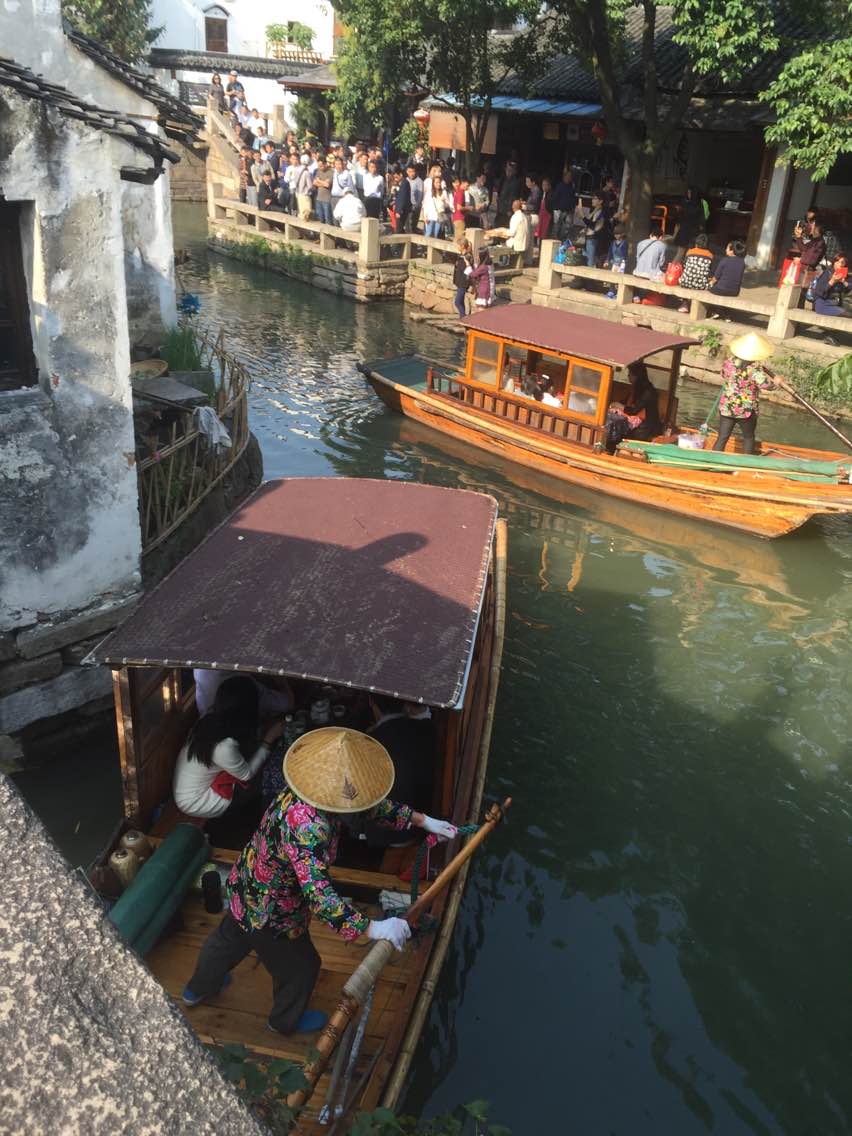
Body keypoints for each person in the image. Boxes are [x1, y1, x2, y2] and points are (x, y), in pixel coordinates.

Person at [181, 727, 457, 1034]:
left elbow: (369, 806)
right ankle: (283, 1022)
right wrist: (373, 928)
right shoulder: (309, 828)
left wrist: (423, 821)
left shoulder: (305, 788)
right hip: (274, 909)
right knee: (303, 966)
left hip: (246, 880)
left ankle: (197, 988)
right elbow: (320, 896)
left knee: (228, 938)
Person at [174, 676, 285, 820]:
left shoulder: (209, 718)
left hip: (191, 786)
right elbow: (247, 774)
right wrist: (269, 739)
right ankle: (259, 819)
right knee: (265, 780)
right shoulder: (223, 746)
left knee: (254, 758)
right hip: (197, 801)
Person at [359, 694, 434, 846]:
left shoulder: (367, 743)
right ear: (405, 702)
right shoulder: (426, 728)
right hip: (424, 823)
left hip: (389, 836)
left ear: (371, 702)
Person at [713, 332, 775, 454]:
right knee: (749, 437)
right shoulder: (754, 369)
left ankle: (712, 460)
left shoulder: (729, 362)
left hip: (727, 406)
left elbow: (723, 375)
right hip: (745, 409)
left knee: (722, 436)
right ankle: (746, 461)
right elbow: (766, 385)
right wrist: (776, 383)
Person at [604, 363, 663, 452]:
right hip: (638, 424)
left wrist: (618, 406)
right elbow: (625, 402)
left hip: (645, 429)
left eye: (630, 374)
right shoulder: (637, 388)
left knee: (616, 426)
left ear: (637, 376)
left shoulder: (648, 392)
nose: (628, 376)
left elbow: (634, 410)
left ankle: (611, 449)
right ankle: (610, 447)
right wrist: (616, 404)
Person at [707, 239, 746, 318]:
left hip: (721, 289)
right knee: (724, 290)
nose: (725, 249)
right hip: (734, 292)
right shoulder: (742, 263)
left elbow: (716, 278)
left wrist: (710, 283)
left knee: (710, 288)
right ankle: (726, 314)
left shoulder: (724, 260)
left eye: (727, 248)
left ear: (732, 251)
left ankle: (715, 311)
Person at [677, 234, 714, 309]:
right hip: (700, 285)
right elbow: (709, 270)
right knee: (712, 282)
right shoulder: (710, 255)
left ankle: (684, 304)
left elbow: (685, 265)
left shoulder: (689, 252)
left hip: (685, 282)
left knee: (687, 276)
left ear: (696, 243)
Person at [582, 193, 607, 267]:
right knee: (585, 260)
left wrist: (582, 216)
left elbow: (594, 226)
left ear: (601, 201)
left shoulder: (602, 213)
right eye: (592, 198)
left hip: (593, 239)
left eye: (595, 198)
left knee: (590, 262)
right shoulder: (595, 211)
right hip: (587, 238)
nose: (592, 200)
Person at [551, 170, 577, 241]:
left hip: (568, 210)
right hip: (559, 210)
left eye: (570, 176)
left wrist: (573, 207)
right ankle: (555, 240)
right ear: (564, 177)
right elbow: (555, 197)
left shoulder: (572, 187)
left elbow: (573, 198)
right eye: (568, 176)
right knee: (557, 226)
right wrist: (556, 208)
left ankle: (563, 240)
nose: (569, 178)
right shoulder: (560, 186)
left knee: (567, 227)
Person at [452, 238, 474, 318]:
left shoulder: (467, 257)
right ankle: (462, 316)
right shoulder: (461, 255)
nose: (457, 247)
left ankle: (463, 317)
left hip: (463, 283)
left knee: (457, 302)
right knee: (461, 301)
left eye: (458, 245)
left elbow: (468, 270)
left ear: (462, 246)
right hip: (460, 281)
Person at [313, 157, 333, 225]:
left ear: (325, 164)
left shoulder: (331, 172)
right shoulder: (318, 171)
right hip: (319, 198)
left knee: (328, 219)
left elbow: (327, 185)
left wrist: (319, 180)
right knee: (320, 219)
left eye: (321, 166)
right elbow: (314, 183)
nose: (319, 167)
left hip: (327, 200)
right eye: (318, 166)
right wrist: (323, 183)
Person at [294, 155, 314, 221]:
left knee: (301, 213)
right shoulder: (306, 172)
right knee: (307, 214)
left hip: (298, 193)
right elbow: (310, 186)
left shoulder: (296, 170)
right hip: (305, 195)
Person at [452, 177, 471, 241]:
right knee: (460, 239)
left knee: (457, 238)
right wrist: (468, 208)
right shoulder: (461, 193)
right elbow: (459, 207)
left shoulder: (458, 191)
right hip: (460, 218)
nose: (467, 188)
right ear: (462, 183)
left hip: (456, 218)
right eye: (467, 185)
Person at [536, 177, 553, 243]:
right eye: (543, 185)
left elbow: (549, 206)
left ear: (549, 186)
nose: (544, 187)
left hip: (547, 217)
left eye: (546, 185)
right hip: (540, 216)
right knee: (539, 233)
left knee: (545, 234)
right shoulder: (541, 194)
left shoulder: (551, 194)